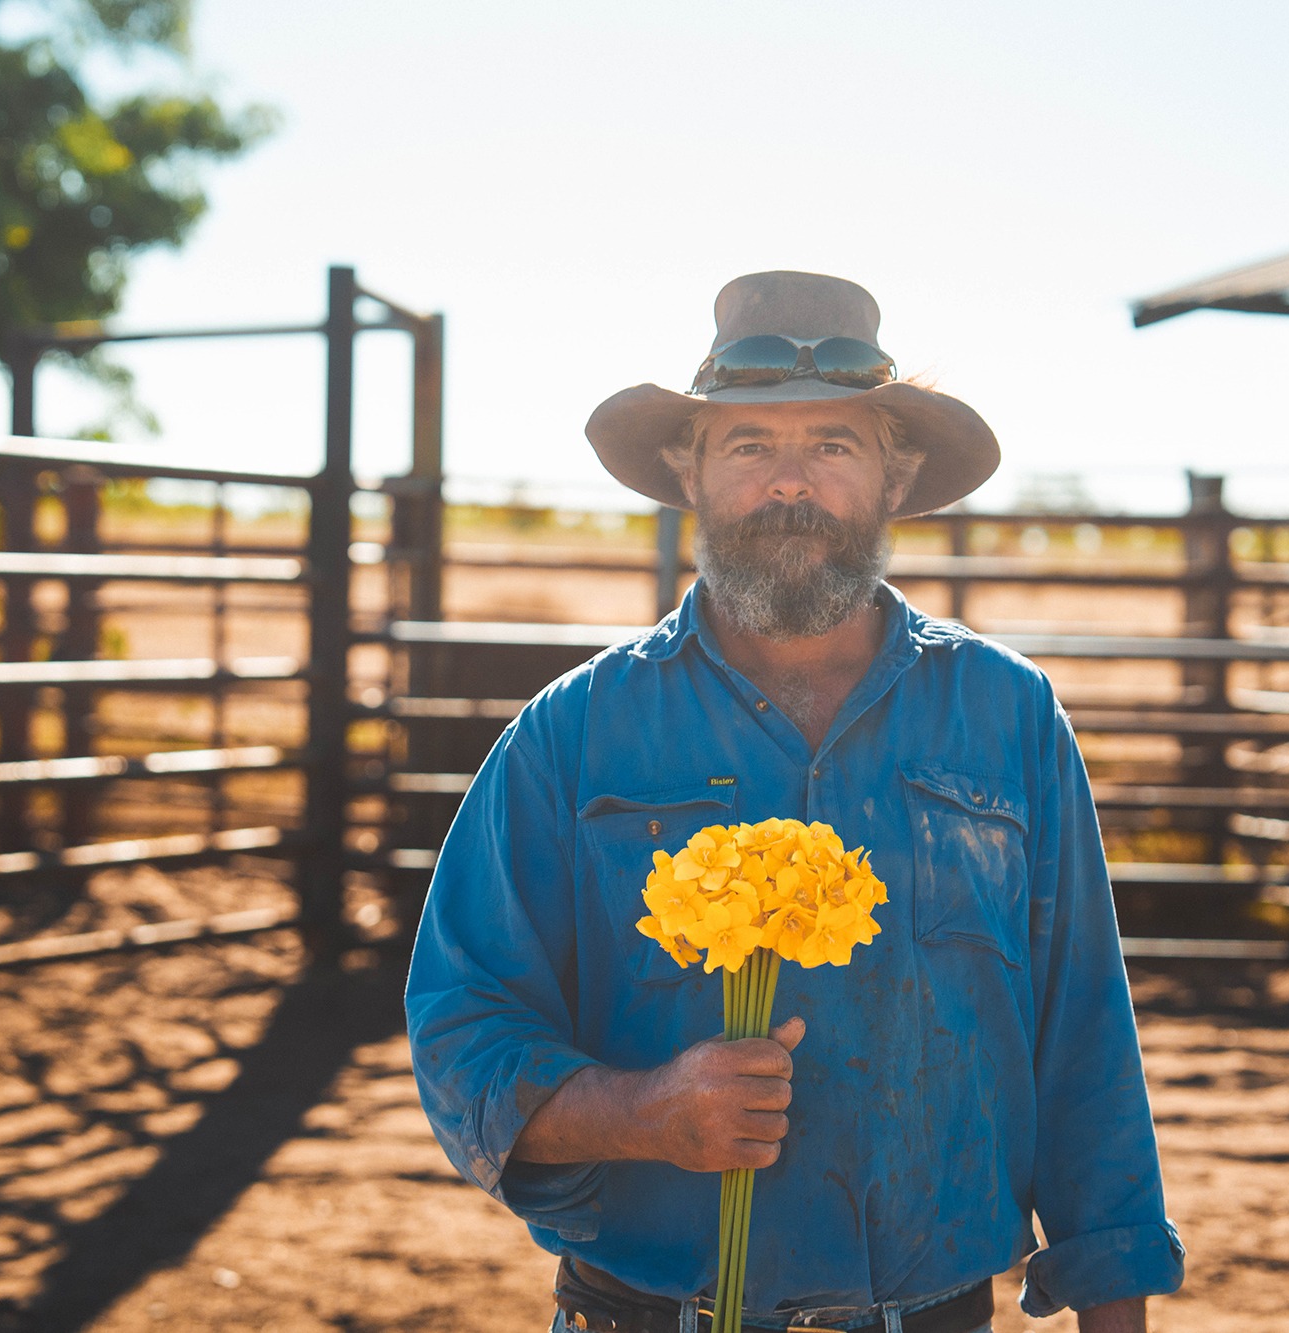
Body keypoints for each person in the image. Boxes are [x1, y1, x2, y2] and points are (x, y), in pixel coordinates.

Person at [405, 272, 1184, 1333]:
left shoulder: (1006, 717)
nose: (788, 484)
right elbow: (462, 1028)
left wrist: (1114, 1310)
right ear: (688, 472)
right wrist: (643, 1113)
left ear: (893, 475)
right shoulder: (571, 734)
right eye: (746, 446)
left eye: (830, 444)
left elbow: (1082, 1033)